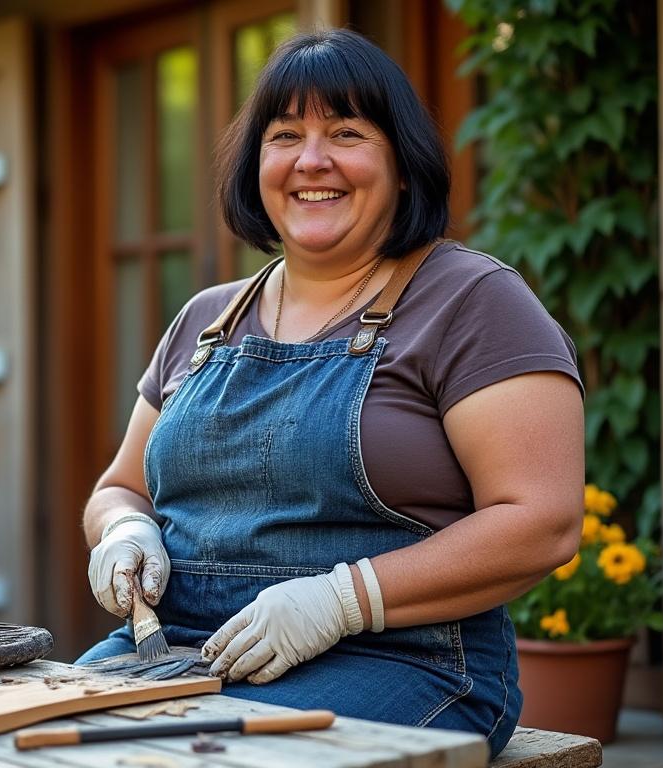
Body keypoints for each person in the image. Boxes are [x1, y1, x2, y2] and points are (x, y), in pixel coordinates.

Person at [77, 28, 583, 757]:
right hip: (172, 650)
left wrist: (343, 601)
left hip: (400, 662)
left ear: (402, 165)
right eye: (285, 136)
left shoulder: (474, 300)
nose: (311, 161)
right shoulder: (207, 320)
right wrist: (125, 531)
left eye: (346, 133)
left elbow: (542, 522)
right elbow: (120, 487)